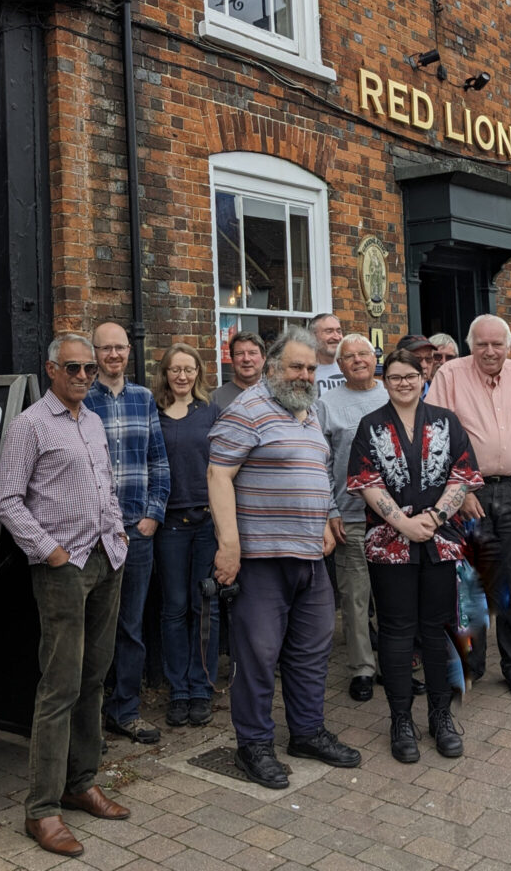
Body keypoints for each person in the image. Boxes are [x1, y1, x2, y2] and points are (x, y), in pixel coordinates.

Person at [0, 334, 130, 858]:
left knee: (94, 677)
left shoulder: (92, 420)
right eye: (74, 368)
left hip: (106, 559)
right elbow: (7, 498)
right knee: (60, 686)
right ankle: (41, 809)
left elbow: (106, 485)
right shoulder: (29, 424)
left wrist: (116, 533)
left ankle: (81, 782)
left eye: (91, 369)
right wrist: (48, 551)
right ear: (51, 369)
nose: (84, 377)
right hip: (63, 568)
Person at [207, 327, 360, 790]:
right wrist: (229, 545)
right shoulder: (248, 409)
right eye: (296, 366)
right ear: (273, 367)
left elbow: (317, 473)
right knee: (257, 656)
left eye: (311, 368)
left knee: (311, 652)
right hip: (261, 558)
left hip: (310, 556)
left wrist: (329, 515)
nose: (305, 375)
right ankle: (253, 745)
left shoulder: (308, 412)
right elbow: (218, 475)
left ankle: (307, 733)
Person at [347, 349, 483, 762]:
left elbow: (463, 474)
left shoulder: (446, 420)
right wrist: (403, 524)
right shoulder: (370, 425)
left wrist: (437, 514)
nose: (403, 383)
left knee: (437, 628)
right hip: (389, 546)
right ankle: (400, 720)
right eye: (394, 377)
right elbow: (365, 480)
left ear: (423, 377)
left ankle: (441, 716)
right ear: (384, 381)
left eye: (410, 376)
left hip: (440, 540)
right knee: (395, 629)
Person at [427, 314, 511, 701]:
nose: (490, 351)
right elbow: (434, 437)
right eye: (482, 344)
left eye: (497, 344)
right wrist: (459, 489)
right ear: (471, 345)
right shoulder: (450, 376)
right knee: (472, 586)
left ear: (508, 345)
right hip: (471, 494)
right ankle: (470, 668)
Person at [84, 321, 170, 744]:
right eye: (106, 349)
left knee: (131, 626)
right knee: (91, 627)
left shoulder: (143, 398)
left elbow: (159, 460)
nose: (114, 355)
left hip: (136, 530)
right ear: (94, 352)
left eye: (120, 348)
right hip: (92, 534)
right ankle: (88, 717)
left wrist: (153, 514)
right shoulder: (81, 399)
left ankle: (126, 710)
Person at [316, 334, 388, 702]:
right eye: (349, 356)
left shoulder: (394, 393)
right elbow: (321, 464)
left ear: (375, 357)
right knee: (356, 598)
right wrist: (330, 511)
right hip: (351, 516)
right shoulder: (326, 404)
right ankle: (363, 668)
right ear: (339, 364)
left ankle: (394, 664)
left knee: (393, 597)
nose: (357, 360)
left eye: (363, 353)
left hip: (396, 518)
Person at [152, 343, 220, 727]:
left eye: (189, 369)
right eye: (175, 369)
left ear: (198, 373)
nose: (182, 376)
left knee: (204, 607)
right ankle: (178, 689)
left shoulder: (211, 411)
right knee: (174, 608)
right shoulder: (154, 411)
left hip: (208, 522)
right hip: (170, 524)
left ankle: (202, 685)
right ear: (165, 373)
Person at [213, 330, 266, 410]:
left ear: (264, 358)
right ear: (232, 361)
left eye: (252, 353)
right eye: (239, 354)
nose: (246, 359)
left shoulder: (277, 397)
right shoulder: (215, 400)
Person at [310, 313, 346, 394]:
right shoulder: (305, 372)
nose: (336, 337)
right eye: (329, 331)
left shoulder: (350, 367)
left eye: (339, 331)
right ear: (313, 336)